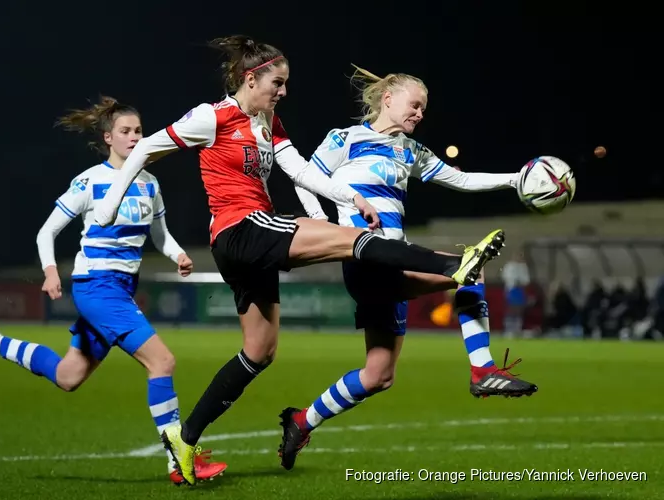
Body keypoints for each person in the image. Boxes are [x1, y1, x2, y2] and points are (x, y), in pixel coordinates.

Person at [92, 36, 505, 486]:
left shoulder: (270, 122)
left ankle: (185, 441)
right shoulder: (212, 116)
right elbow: (150, 147)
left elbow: (303, 172)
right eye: (278, 82)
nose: (283, 91)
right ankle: (453, 266)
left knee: (260, 351)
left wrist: (346, 198)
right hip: (239, 228)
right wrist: (112, 202)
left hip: (251, 240)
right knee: (353, 241)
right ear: (251, 78)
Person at [0, 97, 226, 485]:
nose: (133, 137)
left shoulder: (149, 182)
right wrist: (49, 271)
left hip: (121, 290)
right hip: (97, 286)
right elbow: (47, 232)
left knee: (67, 375)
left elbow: (160, 236)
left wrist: (178, 254)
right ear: (108, 137)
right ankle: (178, 462)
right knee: (162, 362)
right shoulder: (90, 180)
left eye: (139, 131)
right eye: (125, 131)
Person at [277, 66, 539, 470]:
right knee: (469, 267)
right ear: (388, 100)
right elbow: (304, 177)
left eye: (423, 108)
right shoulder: (346, 139)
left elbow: (462, 180)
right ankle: (482, 369)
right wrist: (323, 222)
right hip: (366, 256)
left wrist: (516, 180)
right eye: (414, 104)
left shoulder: (409, 152)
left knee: (378, 375)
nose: (419, 113)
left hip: (395, 262)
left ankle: (301, 421)